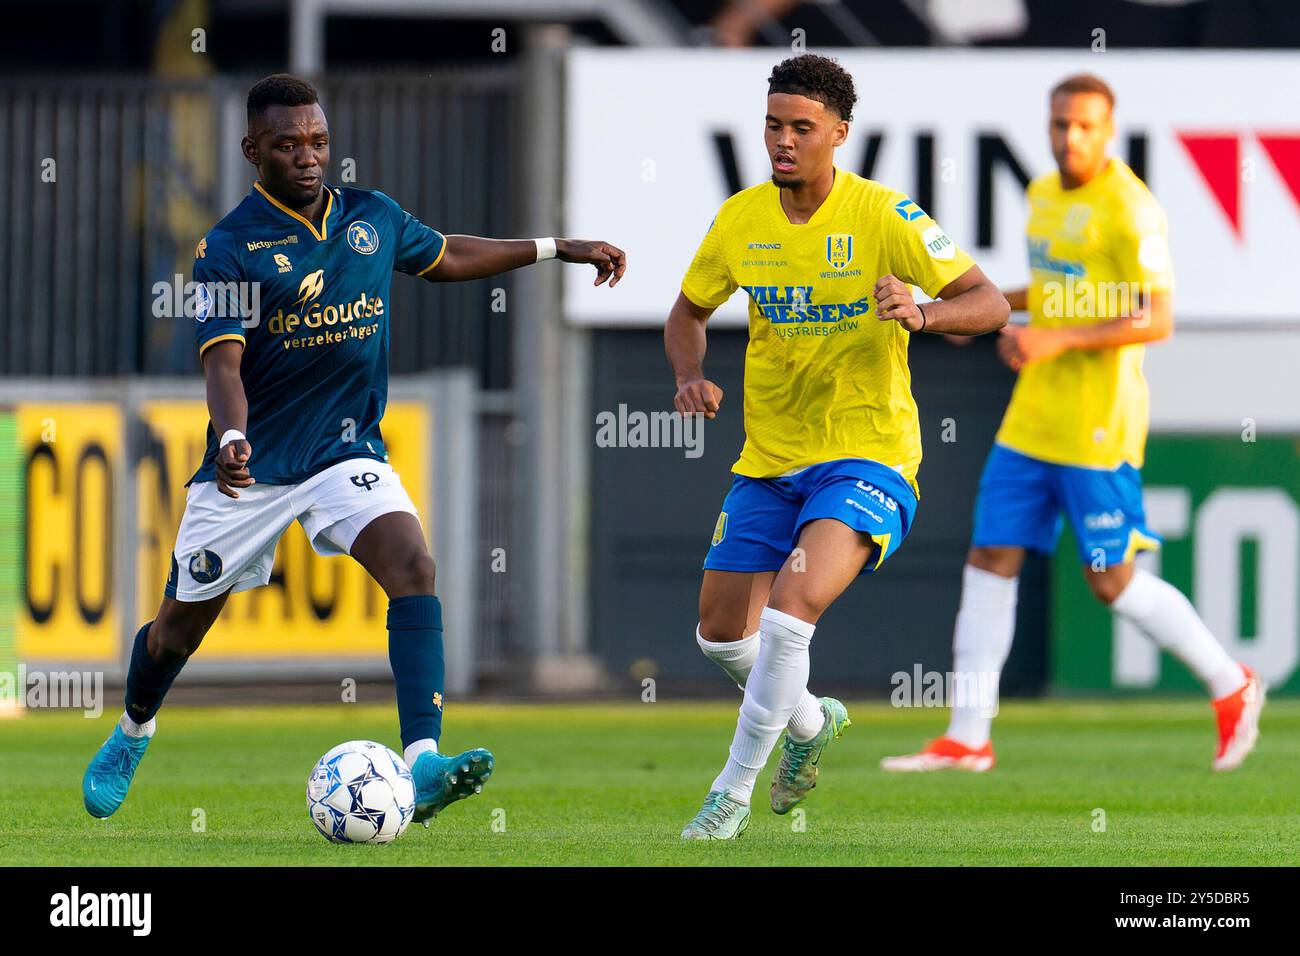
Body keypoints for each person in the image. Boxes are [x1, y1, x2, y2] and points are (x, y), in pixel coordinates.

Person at [82, 73, 626, 822]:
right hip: (255, 470)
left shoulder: (370, 216)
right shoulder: (230, 247)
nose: (308, 156)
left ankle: (423, 764)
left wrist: (554, 247)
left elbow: (449, 256)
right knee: (178, 628)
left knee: (415, 564)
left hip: (346, 453)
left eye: (318, 140)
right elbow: (223, 363)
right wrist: (233, 436)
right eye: (287, 144)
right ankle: (133, 729)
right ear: (253, 150)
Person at [664, 54, 1008, 840]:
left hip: (870, 452)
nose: (783, 141)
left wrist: (923, 312)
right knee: (721, 634)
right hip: (769, 461)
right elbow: (687, 313)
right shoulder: (741, 219)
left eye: (802, 129)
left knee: (792, 612)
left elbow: (986, 303)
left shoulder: (886, 214)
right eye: (774, 125)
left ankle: (731, 794)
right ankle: (812, 723)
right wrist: (689, 375)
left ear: (839, 135)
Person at [882, 74, 1263, 775]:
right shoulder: (1043, 194)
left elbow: (1156, 316)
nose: (1070, 137)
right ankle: (969, 735)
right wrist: (985, 307)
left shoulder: (1131, 210)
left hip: (1098, 424)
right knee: (991, 556)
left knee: (1110, 581)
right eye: (1060, 124)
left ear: (1108, 130)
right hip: (1033, 417)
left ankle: (1230, 682)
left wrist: (1052, 339)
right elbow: (1058, 288)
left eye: (1085, 126)